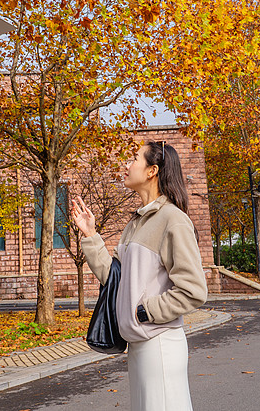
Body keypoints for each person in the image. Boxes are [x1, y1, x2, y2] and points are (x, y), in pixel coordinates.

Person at [71, 140, 207, 411]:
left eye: (134, 159)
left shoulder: (173, 219)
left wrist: (144, 312)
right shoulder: (136, 223)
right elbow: (115, 278)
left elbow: (193, 290)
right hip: (139, 345)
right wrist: (90, 235)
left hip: (160, 344)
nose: (127, 165)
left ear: (152, 171)